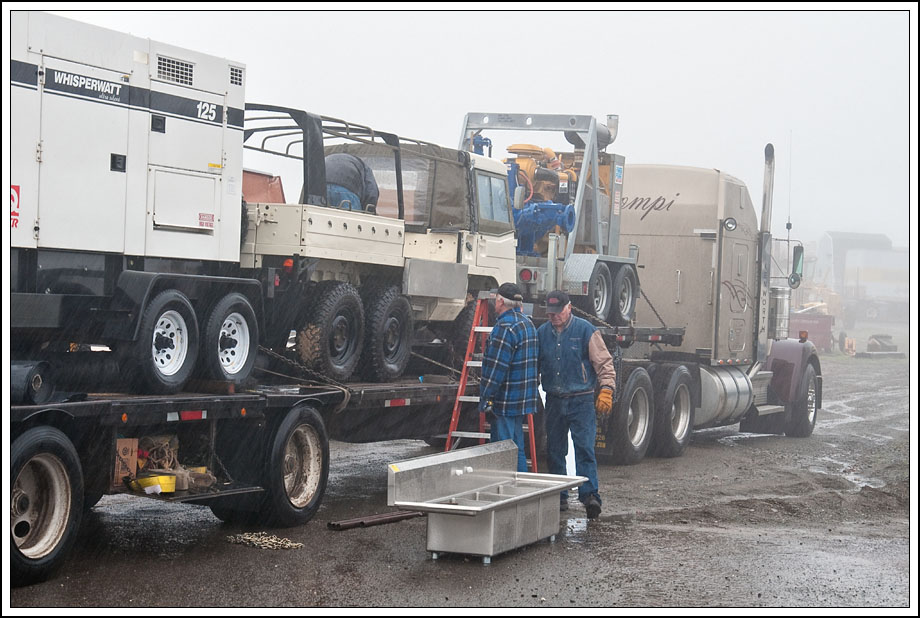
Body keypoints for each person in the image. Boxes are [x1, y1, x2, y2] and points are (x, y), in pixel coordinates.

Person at [537, 290, 615, 519]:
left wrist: (607, 389)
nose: (554, 316)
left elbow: (604, 363)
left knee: (584, 448)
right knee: (554, 450)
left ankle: (590, 496)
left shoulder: (586, 331)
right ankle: (560, 496)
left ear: (569, 307)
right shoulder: (542, 333)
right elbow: (534, 364)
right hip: (554, 399)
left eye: (558, 312)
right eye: (551, 313)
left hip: (581, 400)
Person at [478, 282, 540, 472]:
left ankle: (509, 493)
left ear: (500, 301)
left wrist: (485, 398)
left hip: (505, 401)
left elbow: (496, 369)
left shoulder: (504, 327)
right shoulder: (528, 324)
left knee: (503, 450)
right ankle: (520, 490)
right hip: (523, 399)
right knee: (517, 448)